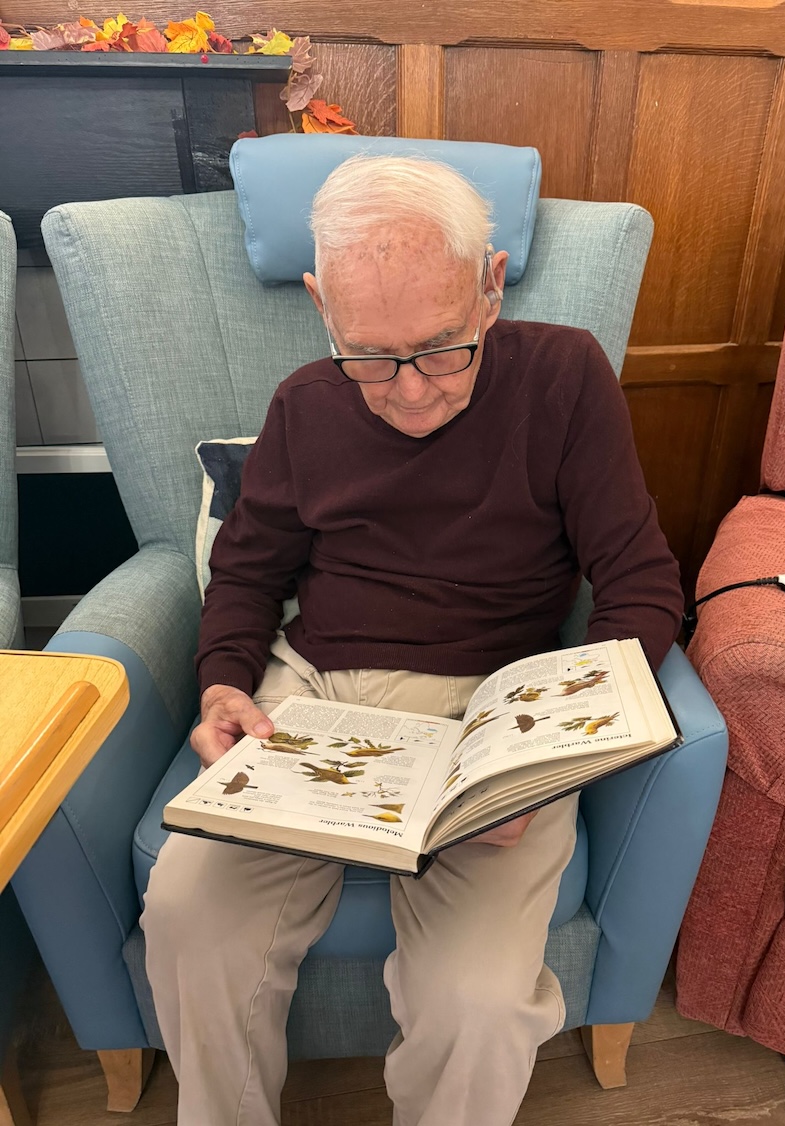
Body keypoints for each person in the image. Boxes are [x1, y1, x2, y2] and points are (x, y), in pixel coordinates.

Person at [141, 155, 683, 1126]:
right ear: (320, 304)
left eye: (440, 349)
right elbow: (249, 573)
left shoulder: (563, 378)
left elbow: (640, 586)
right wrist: (223, 685)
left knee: (476, 1002)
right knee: (189, 919)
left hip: (492, 716)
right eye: (368, 356)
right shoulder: (304, 404)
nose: (411, 393)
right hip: (315, 695)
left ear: (490, 285)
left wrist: (549, 762)